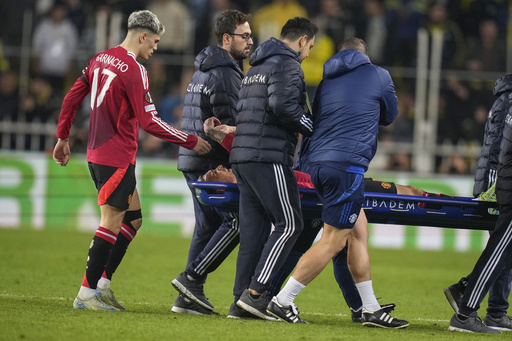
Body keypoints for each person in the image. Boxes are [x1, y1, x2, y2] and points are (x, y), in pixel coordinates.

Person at [52, 10, 211, 311]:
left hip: (97, 154)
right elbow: (150, 123)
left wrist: (62, 137)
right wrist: (191, 141)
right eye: (154, 42)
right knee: (111, 221)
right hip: (116, 157)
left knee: (133, 220)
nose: (155, 48)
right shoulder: (134, 69)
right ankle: (86, 294)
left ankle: (101, 284)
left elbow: (72, 98)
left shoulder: (99, 59)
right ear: (142, 36)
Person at [265, 38, 408, 328]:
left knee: (357, 232)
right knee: (333, 240)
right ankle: (282, 301)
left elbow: (316, 118)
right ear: (364, 55)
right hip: (347, 165)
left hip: (316, 165)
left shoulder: (326, 79)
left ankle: (369, 308)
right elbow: (390, 116)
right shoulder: (378, 75)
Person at [229, 17, 317, 320]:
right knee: (291, 223)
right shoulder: (288, 65)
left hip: (242, 156)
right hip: (267, 155)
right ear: (303, 40)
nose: (308, 54)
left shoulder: (256, 67)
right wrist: (311, 127)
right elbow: (283, 107)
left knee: (253, 233)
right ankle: (256, 294)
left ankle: (239, 303)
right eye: (310, 47)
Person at [170, 9, 253, 315]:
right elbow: (229, 124)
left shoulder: (204, 68)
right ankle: (191, 281)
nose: (250, 41)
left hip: (193, 158)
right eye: (244, 36)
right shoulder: (225, 73)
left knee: (206, 227)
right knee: (237, 222)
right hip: (211, 162)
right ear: (226, 38)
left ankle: (187, 298)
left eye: (250, 35)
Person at [444, 74, 512, 333]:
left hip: (500, 180)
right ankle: (468, 307)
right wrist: (494, 187)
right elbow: (500, 149)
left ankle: (492, 309)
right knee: (500, 248)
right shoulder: (508, 100)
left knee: (504, 248)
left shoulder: (504, 99)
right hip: (501, 183)